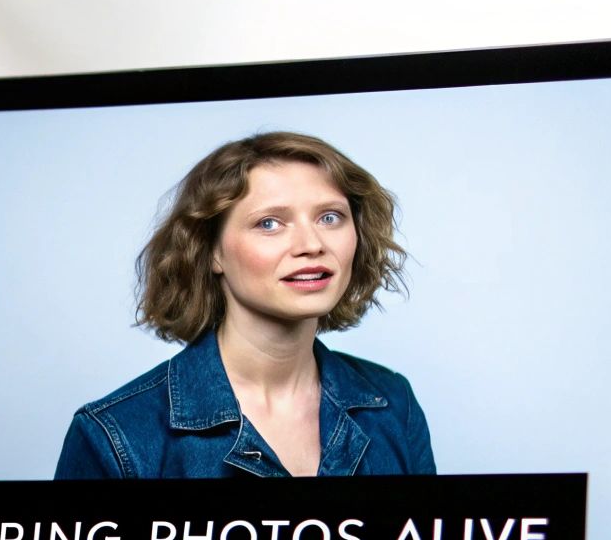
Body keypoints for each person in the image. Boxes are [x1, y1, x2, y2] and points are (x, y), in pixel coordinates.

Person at [55, 131, 435, 479]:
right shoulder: (114, 435)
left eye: (329, 217)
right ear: (212, 252)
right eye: (269, 223)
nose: (312, 244)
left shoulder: (393, 402)